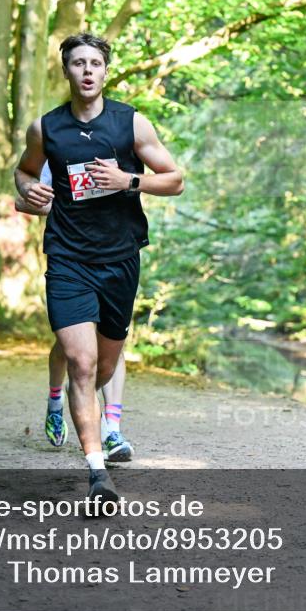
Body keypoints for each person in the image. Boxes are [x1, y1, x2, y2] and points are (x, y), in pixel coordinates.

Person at [13, 33, 184, 501]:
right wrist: (29, 190)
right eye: (77, 64)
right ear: (66, 71)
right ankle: (96, 471)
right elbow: (25, 172)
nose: (87, 71)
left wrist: (129, 180)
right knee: (81, 362)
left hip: (120, 259)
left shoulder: (131, 123)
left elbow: (175, 179)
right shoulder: (46, 128)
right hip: (68, 258)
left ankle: (76, 405)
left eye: (94, 63)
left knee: (104, 365)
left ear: (106, 71)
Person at [24, 162, 134, 464]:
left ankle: (112, 430)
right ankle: (56, 398)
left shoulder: (122, 147)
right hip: (72, 261)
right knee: (70, 348)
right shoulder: (59, 149)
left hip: (115, 259)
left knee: (113, 342)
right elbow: (36, 203)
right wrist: (35, 201)